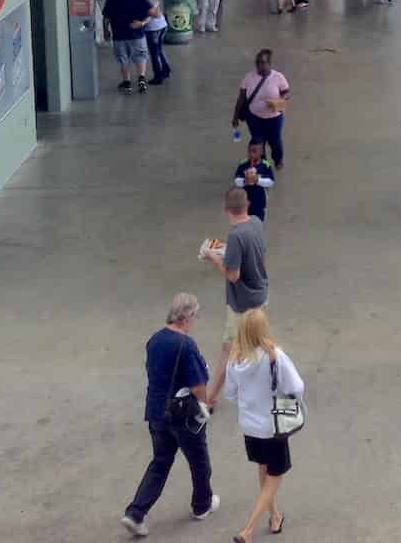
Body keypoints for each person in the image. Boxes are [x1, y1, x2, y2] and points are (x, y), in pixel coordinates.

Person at [119, 294, 219, 538]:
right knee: (199, 461)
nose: (195, 320)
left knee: (160, 463)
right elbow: (198, 385)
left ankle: (136, 513)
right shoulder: (186, 345)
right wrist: (206, 403)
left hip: (156, 412)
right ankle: (202, 504)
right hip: (183, 415)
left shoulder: (154, 340)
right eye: (195, 315)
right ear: (186, 317)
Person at [220, 309, 301, 542]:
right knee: (275, 476)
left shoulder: (235, 359)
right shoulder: (275, 356)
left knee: (264, 470)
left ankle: (275, 516)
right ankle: (248, 529)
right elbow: (296, 386)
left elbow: (230, 393)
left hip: (249, 426)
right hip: (273, 425)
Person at [203, 190, 270, 406]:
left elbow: (233, 275)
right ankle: (268, 381)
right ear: (247, 204)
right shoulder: (257, 223)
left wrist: (213, 256)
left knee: (228, 350)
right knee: (258, 341)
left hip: (241, 304)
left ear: (226, 210)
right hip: (260, 293)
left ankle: (209, 398)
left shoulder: (235, 235)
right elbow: (258, 254)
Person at [232, 50, 291, 168]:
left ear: (269, 63)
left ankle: (278, 160)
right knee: (258, 142)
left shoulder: (278, 77)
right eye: (257, 63)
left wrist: (280, 99)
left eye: (262, 63)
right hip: (254, 117)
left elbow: (286, 92)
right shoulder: (249, 77)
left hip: (274, 118)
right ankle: (263, 163)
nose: (259, 65)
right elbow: (241, 98)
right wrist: (235, 116)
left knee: (275, 142)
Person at [103, 0, 157, 93]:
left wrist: (106, 31)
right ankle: (141, 79)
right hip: (137, 34)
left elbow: (106, 17)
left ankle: (127, 82)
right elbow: (154, 13)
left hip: (118, 35)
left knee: (122, 58)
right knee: (140, 56)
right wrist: (142, 22)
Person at [135, 0, 172, 86]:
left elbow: (152, 14)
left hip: (152, 28)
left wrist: (142, 22)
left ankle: (158, 76)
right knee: (159, 50)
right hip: (162, 25)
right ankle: (166, 70)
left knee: (154, 53)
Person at [234, 140, 276, 222]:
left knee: (258, 221)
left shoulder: (265, 165)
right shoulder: (243, 164)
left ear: (261, 152)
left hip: (260, 200)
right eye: (249, 151)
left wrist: (257, 180)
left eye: (254, 151)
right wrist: (244, 181)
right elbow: (236, 180)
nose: (251, 154)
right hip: (244, 200)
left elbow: (271, 181)